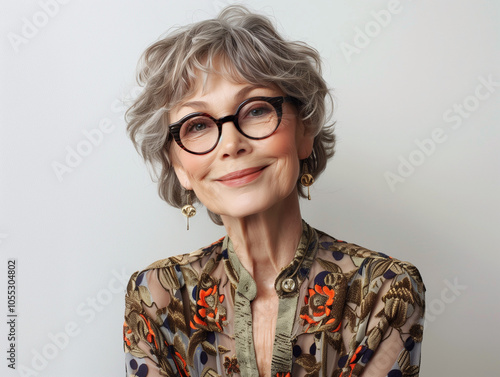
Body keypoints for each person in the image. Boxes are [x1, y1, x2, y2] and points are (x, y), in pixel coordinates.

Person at [123, 5, 425, 377]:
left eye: (255, 110)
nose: (231, 144)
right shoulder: (155, 294)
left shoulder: (384, 289)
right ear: (180, 167)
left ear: (305, 131)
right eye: (197, 125)